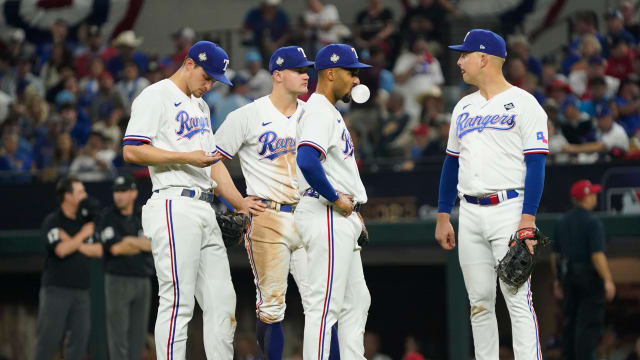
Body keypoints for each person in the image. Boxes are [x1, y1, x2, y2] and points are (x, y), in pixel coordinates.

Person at [122, 41, 264, 359]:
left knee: (222, 301)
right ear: (189, 63)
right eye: (206, 76)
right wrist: (186, 157)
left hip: (204, 208)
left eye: (215, 80)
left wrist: (240, 203)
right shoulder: (155, 95)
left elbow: (212, 162)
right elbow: (131, 149)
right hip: (173, 204)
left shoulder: (199, 105)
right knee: (178, 300)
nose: (209, 84)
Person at [435, 29, 548, 359]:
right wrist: (444, 214)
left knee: (516, 296)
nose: (458, 61)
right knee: (479, 301)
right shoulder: (463, 107)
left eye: (464, 54)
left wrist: (528, 218)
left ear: (483, 58)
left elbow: (537, 164)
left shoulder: (525, 104)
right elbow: (450, 163)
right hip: (468, 212)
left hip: (509, 208)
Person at [215, 46, 316, 359]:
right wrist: (237, 201)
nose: (305, 75)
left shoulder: (313, 114)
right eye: (298, 70)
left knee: (322, 303)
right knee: (272, 306)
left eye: (306, 69)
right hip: (269, 216)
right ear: (277, 75)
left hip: (309, 213)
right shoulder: (248, 115)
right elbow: (212, 160)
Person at [295, 43, 372, 359]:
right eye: (351, 72)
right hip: (325, 211)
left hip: (339, 214)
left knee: (357, 301)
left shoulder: (329, 112)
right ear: (330, 73)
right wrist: (335, 199)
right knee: (324, 306)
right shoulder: (317, 110)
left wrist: (353, 211)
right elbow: (307, 160)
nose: (356, 80)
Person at [35, 176, 103, 359]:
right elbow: (61, 250)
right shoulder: (53, 221)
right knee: (47, 342)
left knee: (79, 345)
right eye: (80, 192)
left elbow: (98, 250)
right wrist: (82, 236)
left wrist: (74, 241)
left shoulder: (85, 221)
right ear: (67, 196)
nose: (85, 195)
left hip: (82, 291)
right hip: (56, 290)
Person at [551, 179, 616, 360]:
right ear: (585, 198)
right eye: (592, 194)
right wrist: (608, 280)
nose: (595, 197)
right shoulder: (593, 223)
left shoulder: (561, 222)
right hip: (588, 278)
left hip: (567, 277)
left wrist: (557, 279)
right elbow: (597, 255)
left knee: (570, 323)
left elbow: (554, 255)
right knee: (587, 326)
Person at [98, 174, 154, 360]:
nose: (119, 195)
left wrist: (128, 241)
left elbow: (152, 245)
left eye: (123, 191)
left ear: (133, 193)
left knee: (138, 336)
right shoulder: (107, 216)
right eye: (116, 191)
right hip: (117, 279)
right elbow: (115, 248)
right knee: (118, 336)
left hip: (142, 280)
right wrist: (138, 243)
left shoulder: (144, 214)